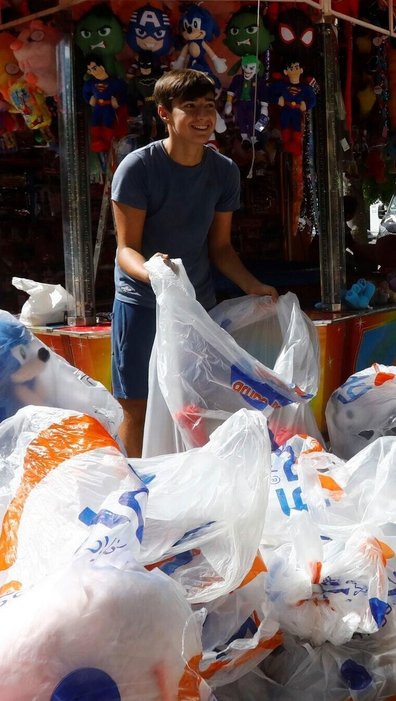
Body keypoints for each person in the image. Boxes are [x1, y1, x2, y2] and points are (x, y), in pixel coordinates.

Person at [111, 70, 278, 456]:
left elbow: (221, 248)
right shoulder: (138, 168)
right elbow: (125, 250)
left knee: (195, 405)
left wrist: (253, 286)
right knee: (138, 406)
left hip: (197, 310)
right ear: (164, 113)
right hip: (142, 305)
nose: (203, 116)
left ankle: (192, 483)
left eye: (208, 106)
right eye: (190, 107)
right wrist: (154, 272)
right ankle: (135, 484)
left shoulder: (224, 171)